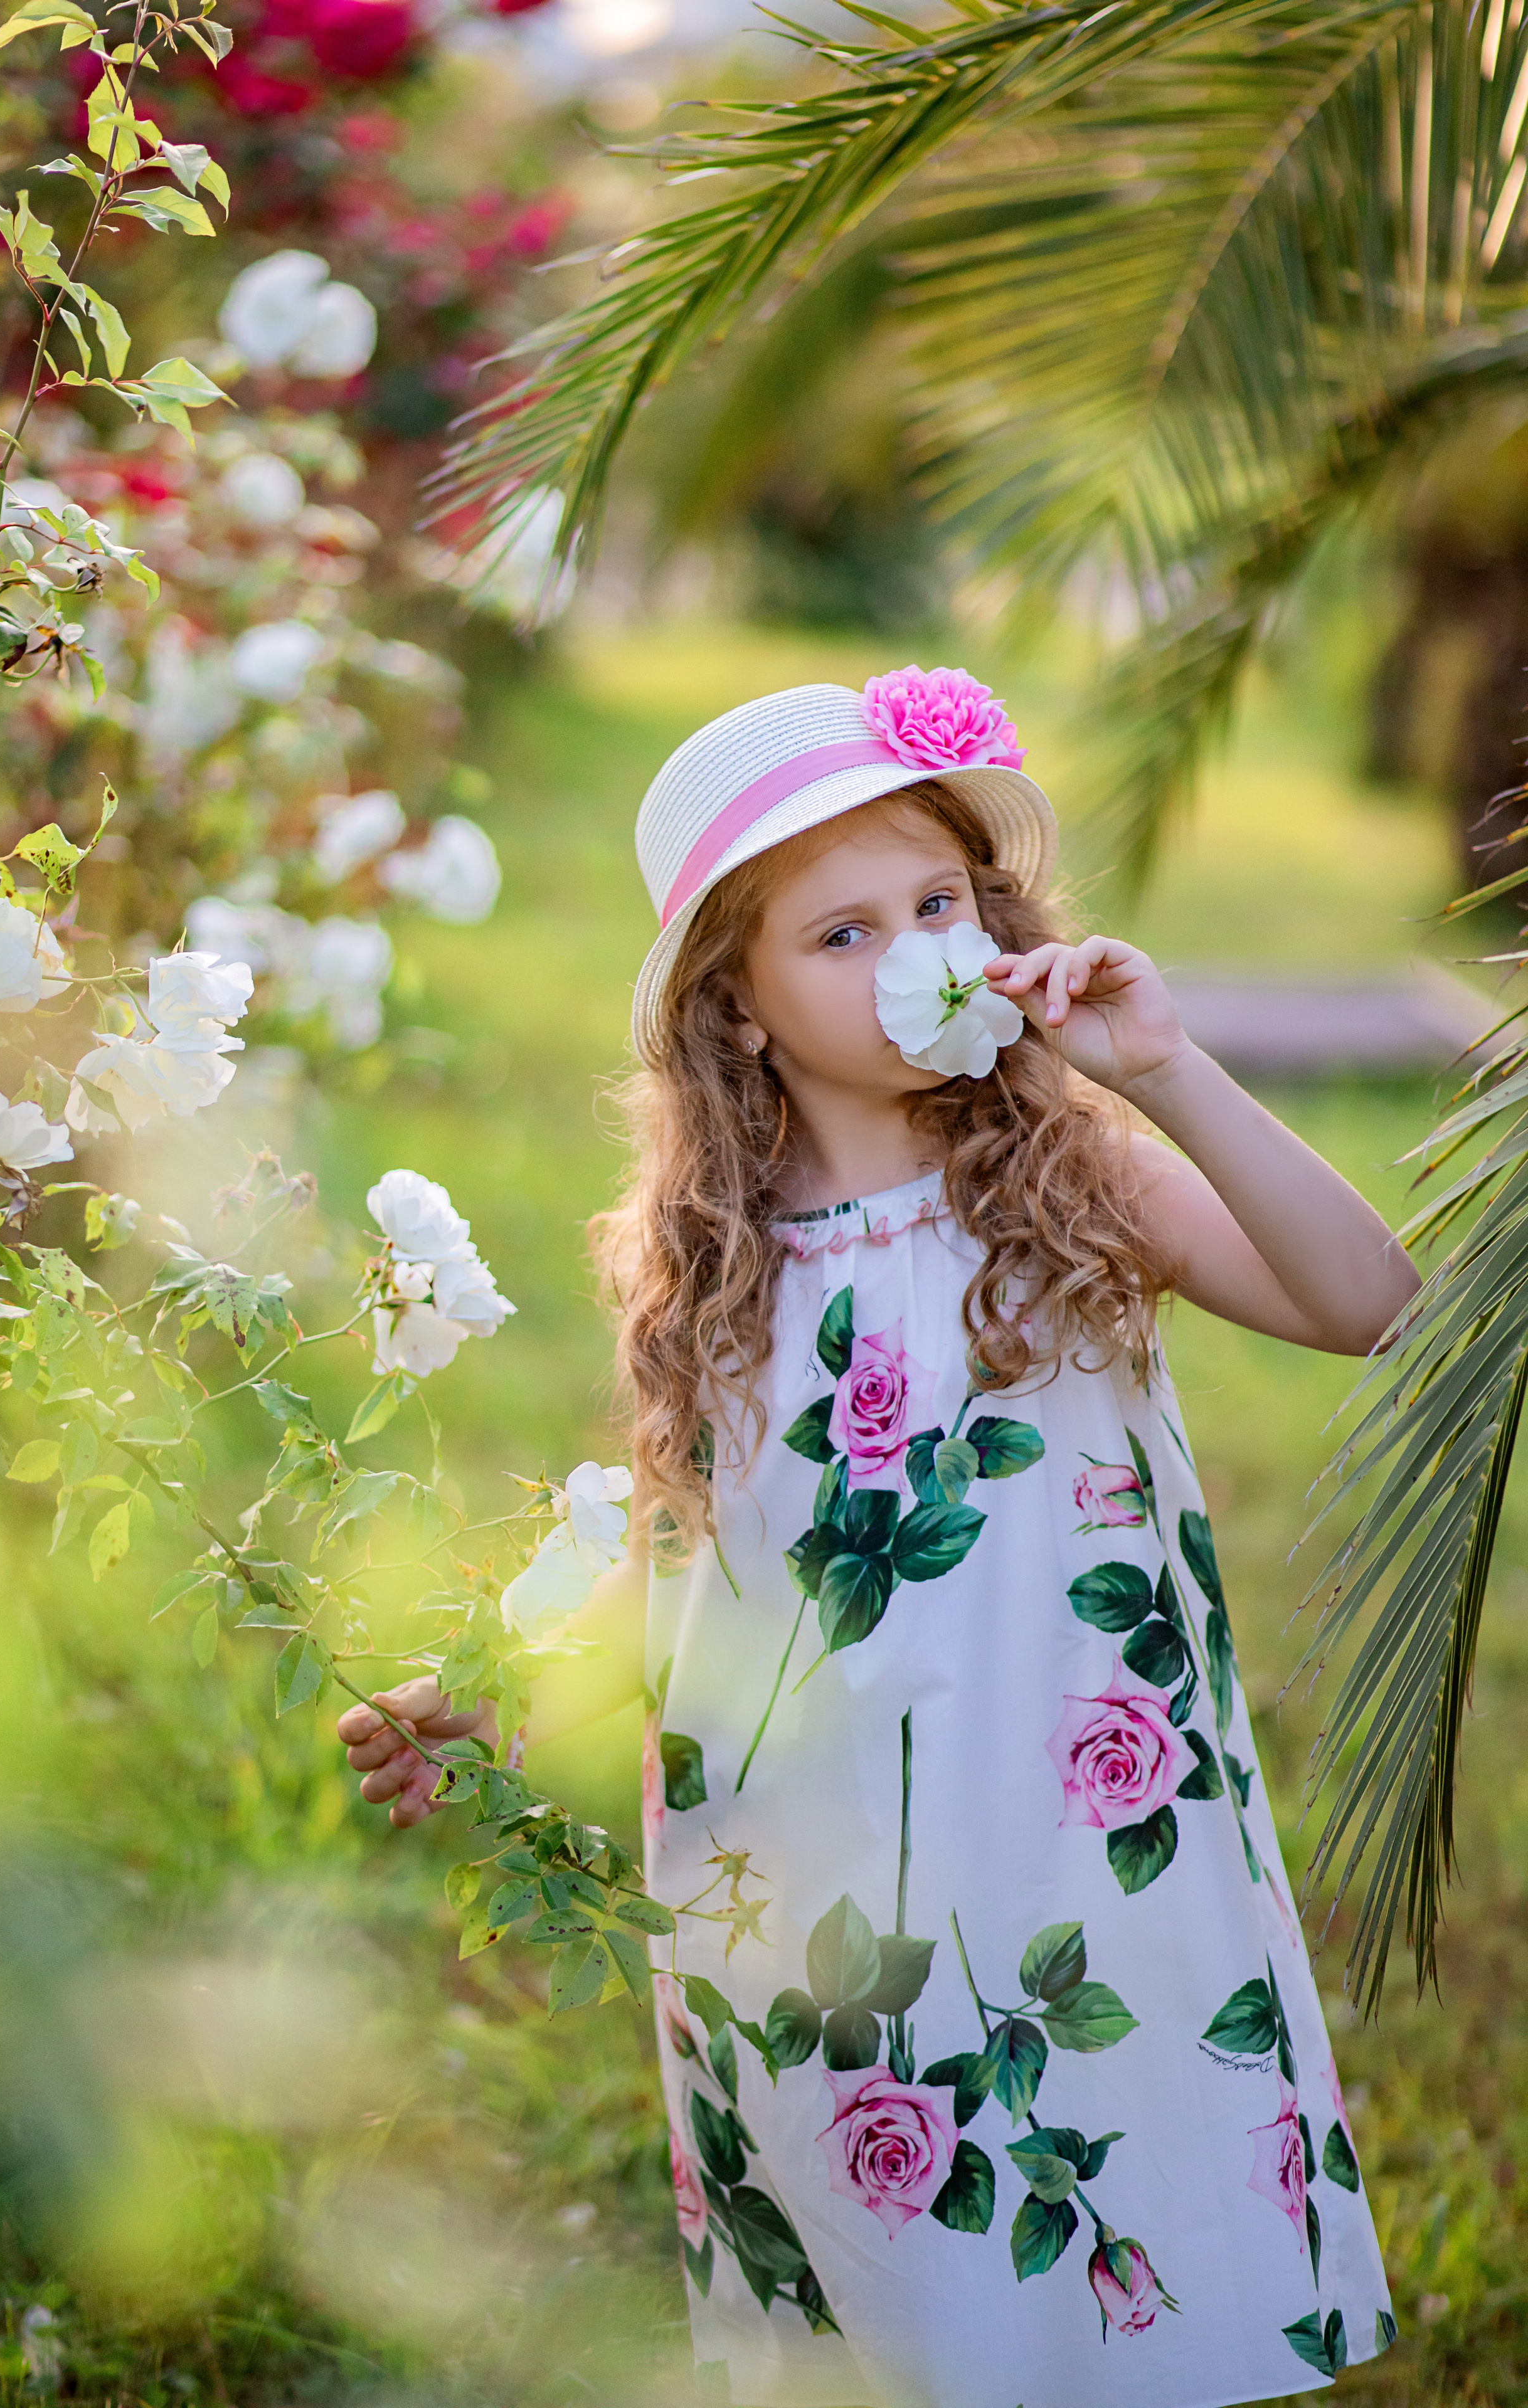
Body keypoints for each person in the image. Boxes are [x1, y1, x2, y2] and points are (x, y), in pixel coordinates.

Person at [338, 668, 1413, 2408]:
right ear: (737, 1008)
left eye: (939, 904)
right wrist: (488, 1689)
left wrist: (1169, 1066)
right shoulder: (712, 1274)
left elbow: (1373, 1305)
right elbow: (689, 1560)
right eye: (842, 934)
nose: (917, 950)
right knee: (898, 2272)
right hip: (822, 1863)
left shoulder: (1080, 1179)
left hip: (1075, 1829)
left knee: (1107, 2175)